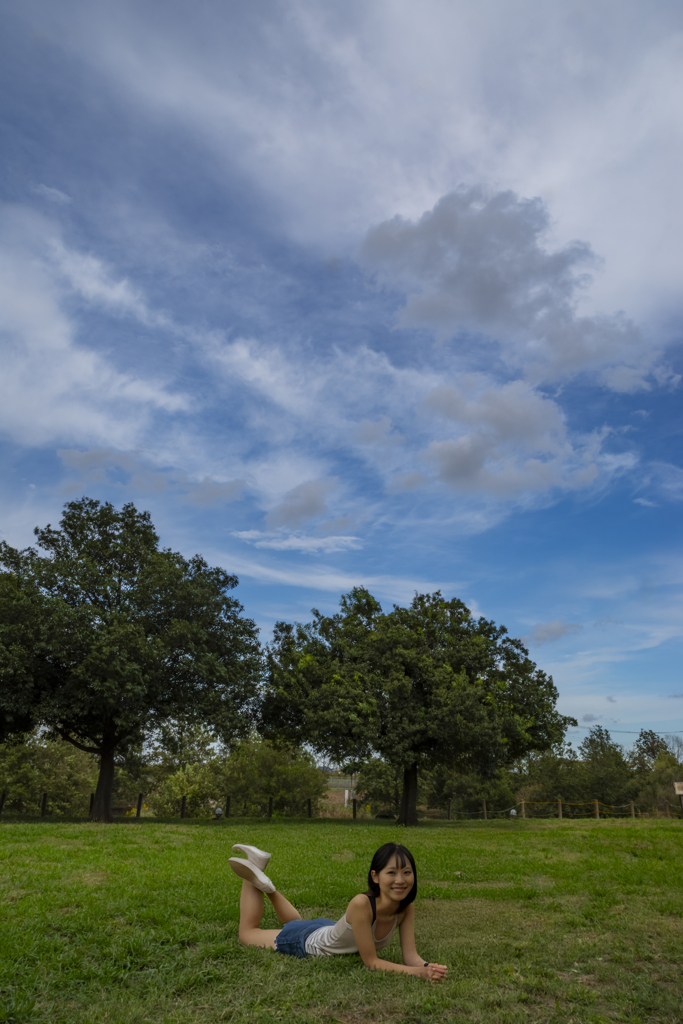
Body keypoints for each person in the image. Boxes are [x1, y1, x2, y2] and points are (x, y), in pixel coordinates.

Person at [229, 841, 448, 981]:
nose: (400, 880)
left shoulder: (405, 906)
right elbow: (371, 963)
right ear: (375, 877)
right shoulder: (362, 904)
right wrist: (419, 973)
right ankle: (253, 873)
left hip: (327, 927)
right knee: (247, 933)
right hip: (306, 942)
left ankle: (269, 888)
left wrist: (429, 967)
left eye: (407, 872)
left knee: (293, 923)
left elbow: (411, 957)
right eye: (391, 873)